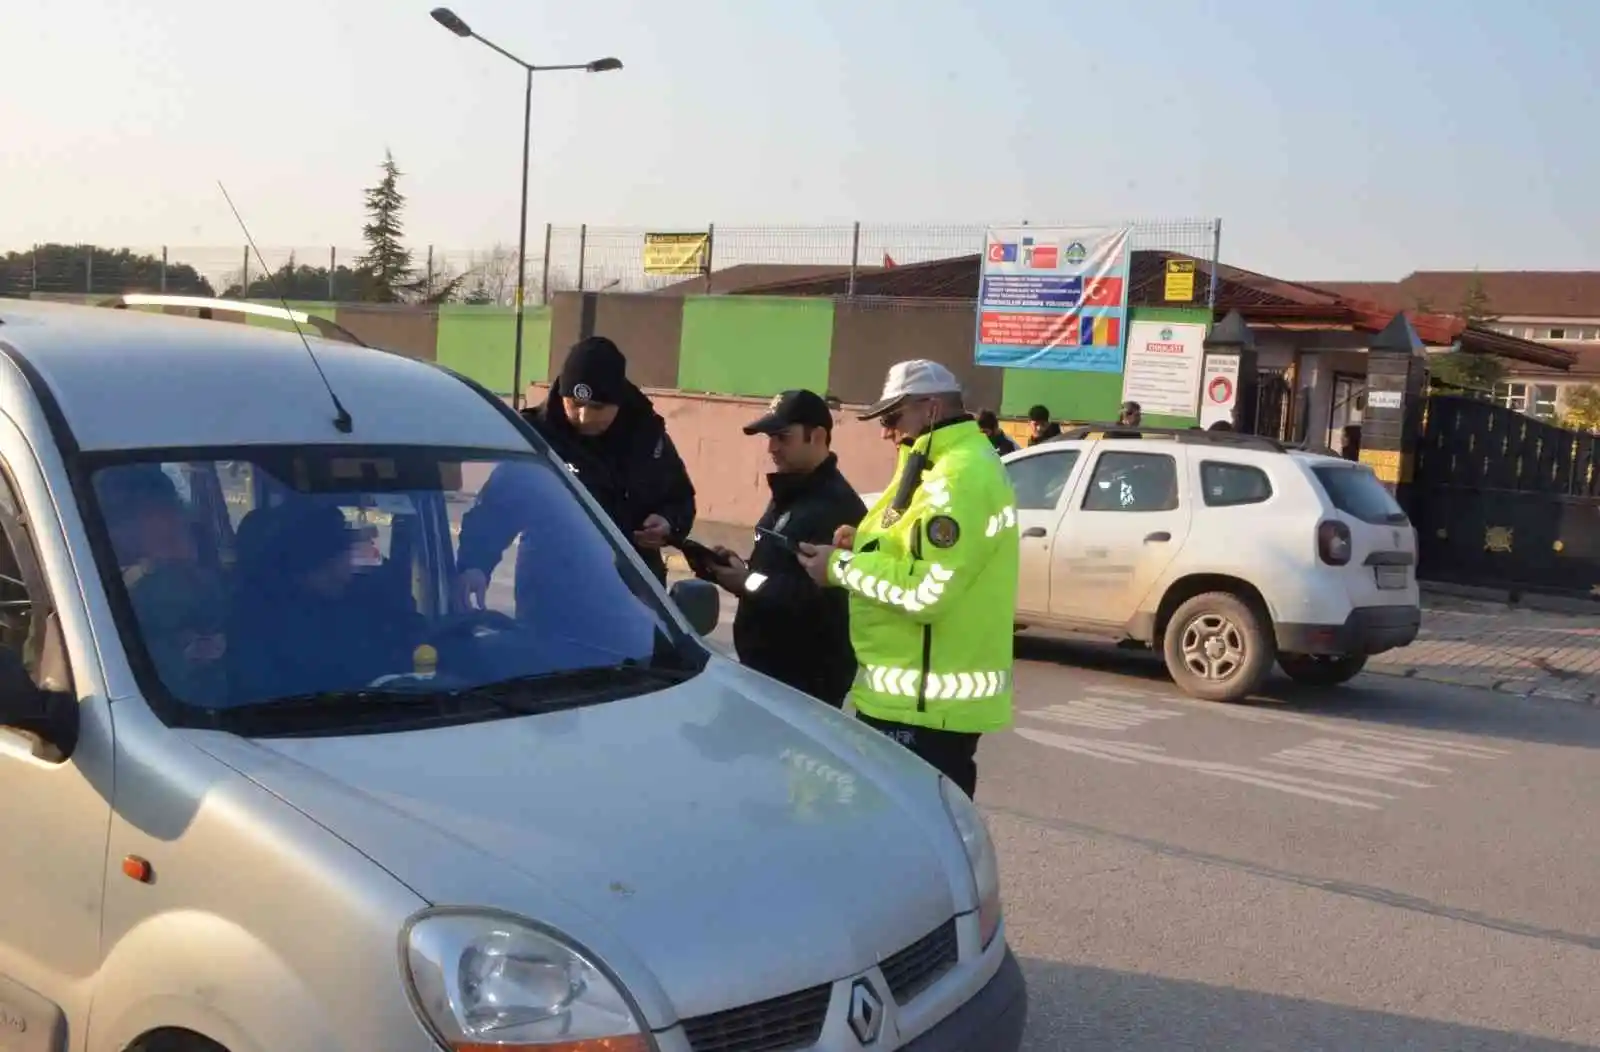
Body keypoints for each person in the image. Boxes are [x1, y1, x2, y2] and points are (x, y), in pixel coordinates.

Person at [796, 360, 1019, 798]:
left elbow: (927, 590)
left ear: (931, 409)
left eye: (892, 417)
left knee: (910, 845)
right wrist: (860, 545)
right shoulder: (932, 461)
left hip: (922, 710)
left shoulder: (958, 478)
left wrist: (839, 569)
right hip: (908, 701)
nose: (885, 430)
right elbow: (908, 543)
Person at [456, 335, 696, 599]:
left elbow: (680, 498)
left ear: (619, 401)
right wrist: (475, 565)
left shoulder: (647, 437)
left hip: (632, 596)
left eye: (597, 407)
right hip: (552, 597)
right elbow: (496, 509)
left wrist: (667, 523)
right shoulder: (538, 438)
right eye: (575, 403)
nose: (584, 416)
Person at [702, 390, 866, 707]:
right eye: (769, 437)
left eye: (782, 437)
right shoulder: (793, 491)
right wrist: (741, 568)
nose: (772, 448)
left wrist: (746, 582)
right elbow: (779, 571)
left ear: (816, 436)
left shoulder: (834, 507)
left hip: (804, 680)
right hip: (768, 671)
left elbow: (809, 596)